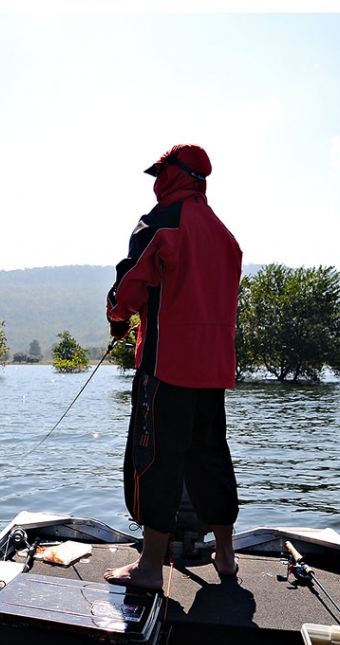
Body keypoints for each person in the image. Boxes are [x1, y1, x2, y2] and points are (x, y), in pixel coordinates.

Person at [103, 143, 242, 592]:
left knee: (155, 462)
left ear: (172, 175)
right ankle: (225, 556)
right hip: (213, 368)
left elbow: (130, 284)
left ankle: (149, 568)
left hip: (167, 366)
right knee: (212, 458)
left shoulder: (160, 222)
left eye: (158, 174)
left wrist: (117, 318)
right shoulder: (224, 235)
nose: (156, 182)